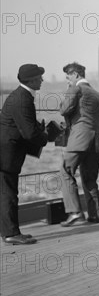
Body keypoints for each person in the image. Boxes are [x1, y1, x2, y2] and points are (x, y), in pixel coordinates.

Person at [0, 64, 48, 244]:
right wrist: (46, 136)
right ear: (32, 80)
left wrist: (38, 129)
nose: (42, 80)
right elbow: (29, 133)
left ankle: (10, 231)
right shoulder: (23, 98)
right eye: (40, 77)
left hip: (6, 152)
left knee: (7, 192)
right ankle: (11, 234)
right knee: (8, 194)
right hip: (6, 155)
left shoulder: (20, 95)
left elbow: (24, 125)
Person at [59, 62, 99, 226]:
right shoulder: (98, 95)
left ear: (75, 75)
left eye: (68, 77)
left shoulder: (75, 89)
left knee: (65, 171)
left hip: (79, 139)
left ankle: (75, 212)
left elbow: (64, 110)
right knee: (90, 179)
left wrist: (69, 89)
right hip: (95, 141)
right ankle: (94, 215)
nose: (68, 80)